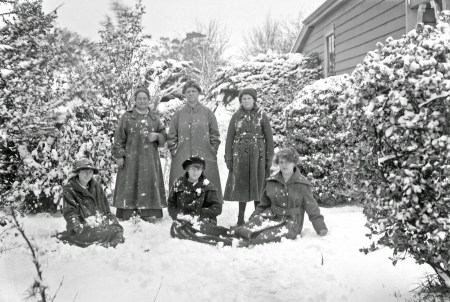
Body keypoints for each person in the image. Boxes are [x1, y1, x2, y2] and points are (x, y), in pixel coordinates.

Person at [234, 148, 328, 246]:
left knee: (260, 237)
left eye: (287, 162)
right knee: (243, 230)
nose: (284, 165)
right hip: (270, 217)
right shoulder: (272, 182)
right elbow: (263, 205)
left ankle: (244, 243)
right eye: (281, 162)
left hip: (291, 223)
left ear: (294, 163)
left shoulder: (302, 185)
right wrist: (253, 218)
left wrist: (320, 227)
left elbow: (312, 209)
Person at [112, 87, 167, 221]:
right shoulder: (127, 117)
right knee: (129, 183)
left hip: (150, 160)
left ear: (149, 100)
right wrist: (119, 155)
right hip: (131, 158)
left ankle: (148, 213)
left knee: (149, 182)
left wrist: (157, 136)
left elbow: (164, 136)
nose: (142, 101)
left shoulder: (154, 118)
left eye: (145, 98)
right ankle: (128, 213)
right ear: (135, 100)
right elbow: (119, 137)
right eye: (139, 98)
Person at [224, 88, 274, 227]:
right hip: (240, 156)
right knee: (242, 186)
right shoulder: (236, 116)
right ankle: (240, 219)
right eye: (244, 98)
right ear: (241, 101)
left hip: (258, 155)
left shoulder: (261, 115)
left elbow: (269, 138)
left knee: (258, 187)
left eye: (249, 98)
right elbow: (229, 138)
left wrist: (269, 158)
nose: (246, 101)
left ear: (254, 100)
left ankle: (256, 217)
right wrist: (228, 157)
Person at [167, 80, 222, 202]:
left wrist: (212, 150)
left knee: (206, 183)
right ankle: (181, 208)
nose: (191, 94)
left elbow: (215, 134)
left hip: (204, 154)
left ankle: (206, 208)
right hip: (182, 155)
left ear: (198, 93)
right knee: (182, 182)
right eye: (188, 91)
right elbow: (171, 135)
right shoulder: (178, 114)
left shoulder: (207, 113)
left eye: (194, 91)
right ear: (184, 94)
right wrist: (174, 151)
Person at [57, 158, 124, 248]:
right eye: (85, 171)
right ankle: (103, 241)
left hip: (100, 224)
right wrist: (77, 229)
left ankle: (104, 239)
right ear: (78, 172)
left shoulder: (97, 187)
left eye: (90, 171)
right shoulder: (69, 190)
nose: (88, 174)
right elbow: (71, 214)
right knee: (105, 234)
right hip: (84, 228)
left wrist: (112, 221)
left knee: (118, 229)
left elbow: (106, 210)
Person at [168, 156, 232, 246]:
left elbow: (217, 208)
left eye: (199, 169)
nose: (196, 172)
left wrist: (199, 214)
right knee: (176, 228)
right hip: (183, 220)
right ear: (187, 169)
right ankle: (189, 232)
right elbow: (171, 204)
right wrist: (178, 216)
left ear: (202, 170)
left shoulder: (207, 186)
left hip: (203, 221)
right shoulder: (178, 184)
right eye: (193, 169)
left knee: (202, 230)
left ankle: (197, 234)